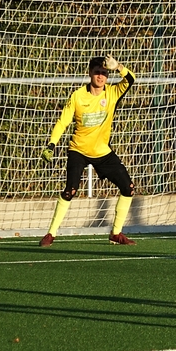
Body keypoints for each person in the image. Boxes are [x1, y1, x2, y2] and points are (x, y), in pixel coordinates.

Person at [39, 55, 137, 247]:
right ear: (90, 73)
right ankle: (51, 234)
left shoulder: (113, 92)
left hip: (102, 152)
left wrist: (119, 67)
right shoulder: (77, 96)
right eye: (97, 72)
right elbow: (63, 122)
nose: (100, 76)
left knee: (128, 188)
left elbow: (131, 79)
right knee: (70, 191)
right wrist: (52, 144)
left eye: (104, 73)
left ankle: (116, 234)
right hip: (79, 150)